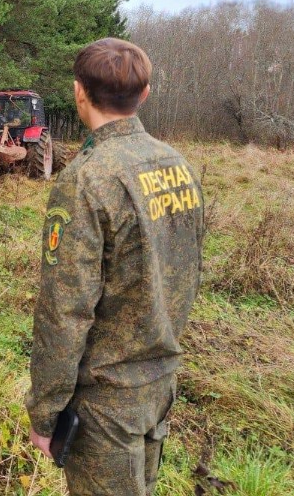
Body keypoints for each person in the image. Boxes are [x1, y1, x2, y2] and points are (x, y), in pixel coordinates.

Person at [26, 37, 204, 496]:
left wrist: (45, 412)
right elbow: (184, 270)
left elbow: (65, 309)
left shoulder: (86, 179)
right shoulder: (176, 164)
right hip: (160, 383)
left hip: (105, 402)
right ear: (143, 95)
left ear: (78, 91)